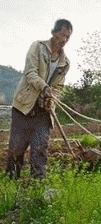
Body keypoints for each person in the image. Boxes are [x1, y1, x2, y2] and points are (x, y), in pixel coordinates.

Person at [5, 19, 73, 179]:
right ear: (54, 32)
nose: (64, 40)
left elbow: (59, 87)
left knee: (40, 148)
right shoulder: (37, 47)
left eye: (67, 37)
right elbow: (30, 73)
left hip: (44, 111)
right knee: (17, 149)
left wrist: (52, 98)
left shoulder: (65, 62)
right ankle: (12, 181)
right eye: (62, 35)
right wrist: (44, 87)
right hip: (24, 106)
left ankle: (37, 184)